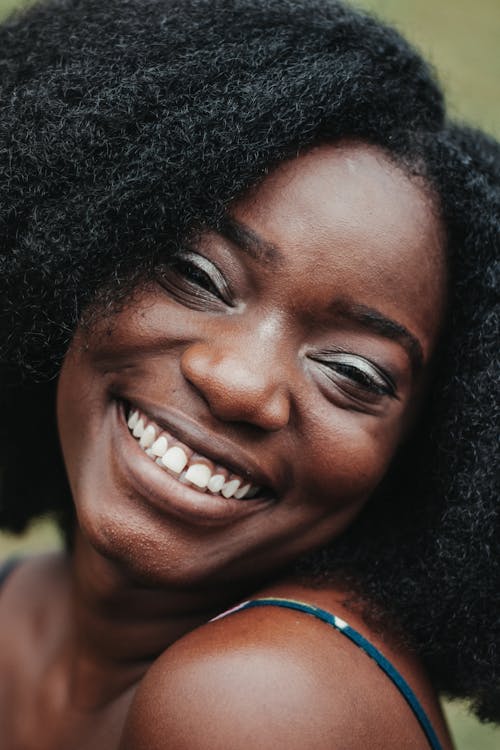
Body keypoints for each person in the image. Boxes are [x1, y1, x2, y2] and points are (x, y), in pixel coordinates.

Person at [0, 0, 498, 748]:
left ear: (426, 453)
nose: (239, 382)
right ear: (76, 253)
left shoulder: (265, 700)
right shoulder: (13, 610)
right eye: (197, 275)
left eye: (353, 373)